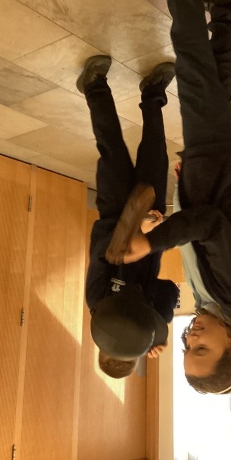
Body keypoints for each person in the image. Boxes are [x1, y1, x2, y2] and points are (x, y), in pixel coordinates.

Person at [114, 0, 231, 394]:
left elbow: (203, 231)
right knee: (193, 70)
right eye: (201, 349)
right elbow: (212, 224)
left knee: (214, 81)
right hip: (223, 162)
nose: (191, 337)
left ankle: (227, 7)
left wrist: (180, 199)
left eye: (187, 347)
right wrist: (153, 243)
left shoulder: (215, 304)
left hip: (212, 172)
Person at [77, 55, 180, 378]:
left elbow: (100, 251)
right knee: (155, 152)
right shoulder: (145, 317)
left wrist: (134, 226)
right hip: (151, 219)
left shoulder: (98, 300)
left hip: (117, 210)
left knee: (112, 147)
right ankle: (153, 93)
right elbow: (170, 290)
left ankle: (94, 87)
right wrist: (160, 322)